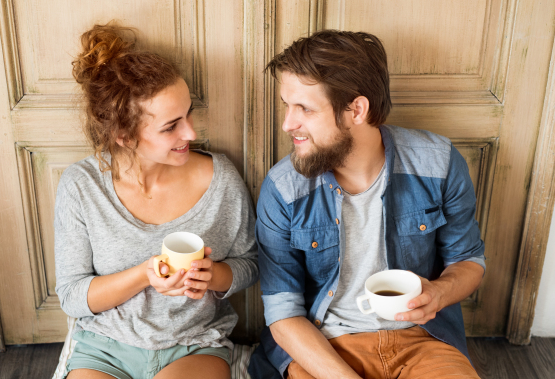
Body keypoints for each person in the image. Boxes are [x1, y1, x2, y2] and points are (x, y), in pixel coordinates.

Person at [248, 30, 485, 379]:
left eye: (305, 109)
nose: (288, 123)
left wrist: (438, 292)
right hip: (325, 347)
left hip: (422, 343)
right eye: (287, 104)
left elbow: (468, 261)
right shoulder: (284, 189)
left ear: (356, 110)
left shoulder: (439, 164)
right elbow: (283, 313)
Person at [55, 22, 258, 379]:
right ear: (124, 135)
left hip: (194, 344)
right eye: (171, 126)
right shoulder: (81, 186)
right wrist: (146, 275)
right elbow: (72, 296)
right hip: (104, 347)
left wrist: (215, 276)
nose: (191, 133)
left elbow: (250, 264)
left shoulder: (220, 178)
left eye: (189, 113)